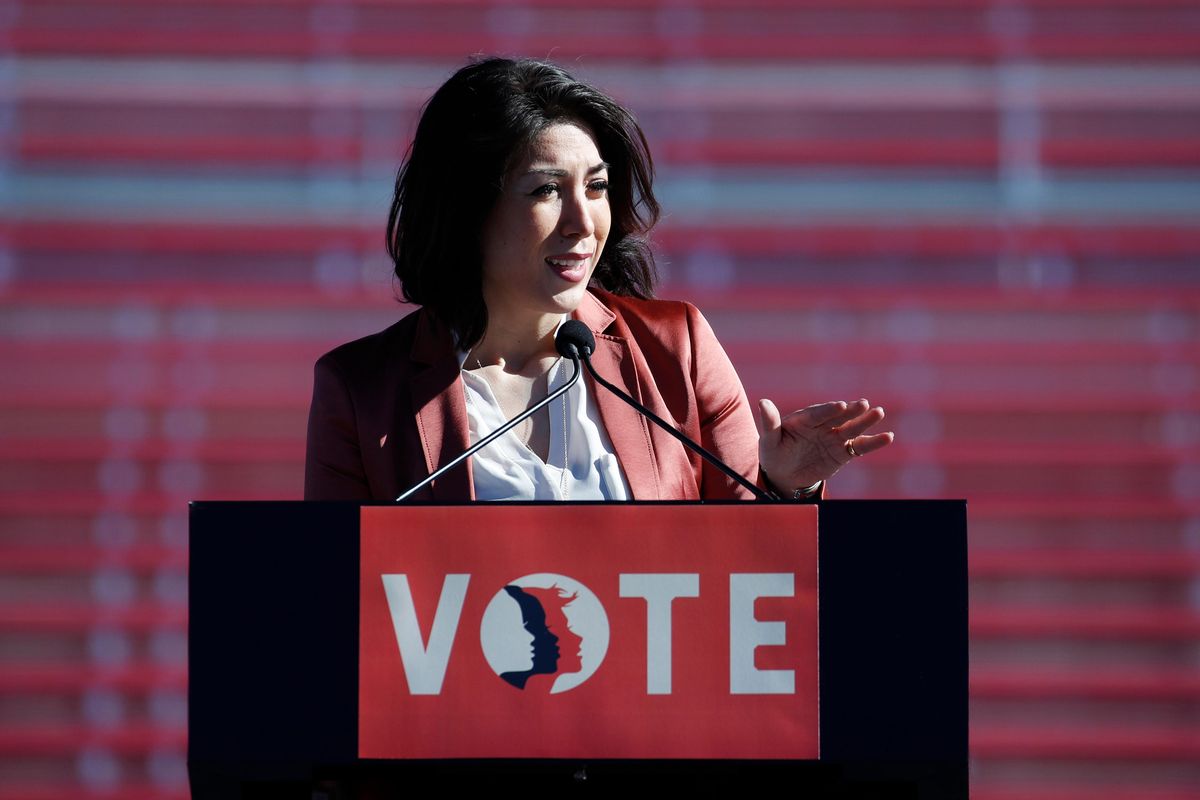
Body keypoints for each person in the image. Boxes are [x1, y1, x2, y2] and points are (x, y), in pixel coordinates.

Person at [304, 57, 892, 503]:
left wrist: (783, 485)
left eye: (596, 186)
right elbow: (332, 596)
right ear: (466, 210)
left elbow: (745, 576)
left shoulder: (676, 348)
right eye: (545, 191)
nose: (583, 223)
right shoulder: (361, 391)